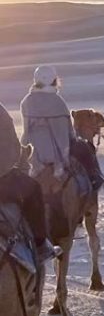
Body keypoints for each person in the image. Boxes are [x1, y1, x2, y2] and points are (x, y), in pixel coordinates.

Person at [0, 102, 60, 262]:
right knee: (33, 189)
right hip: (3, 179)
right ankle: (41, 245)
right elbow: (12, 148)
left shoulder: (27, 101)